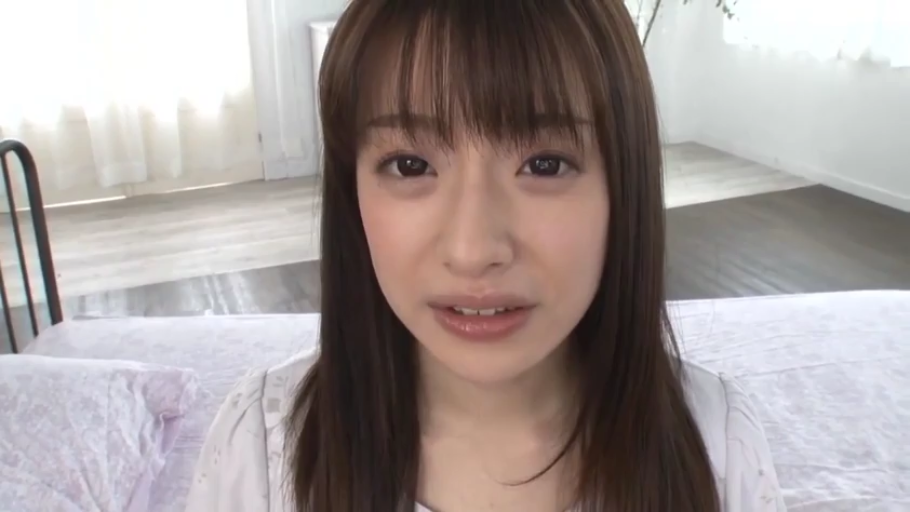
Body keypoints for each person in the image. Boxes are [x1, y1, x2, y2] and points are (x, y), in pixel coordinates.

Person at [185, 0, 787, 510]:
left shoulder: (719, 448)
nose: (472, 251)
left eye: (544, 164)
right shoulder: (261, 453)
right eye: (410, 165)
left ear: (622, 187)